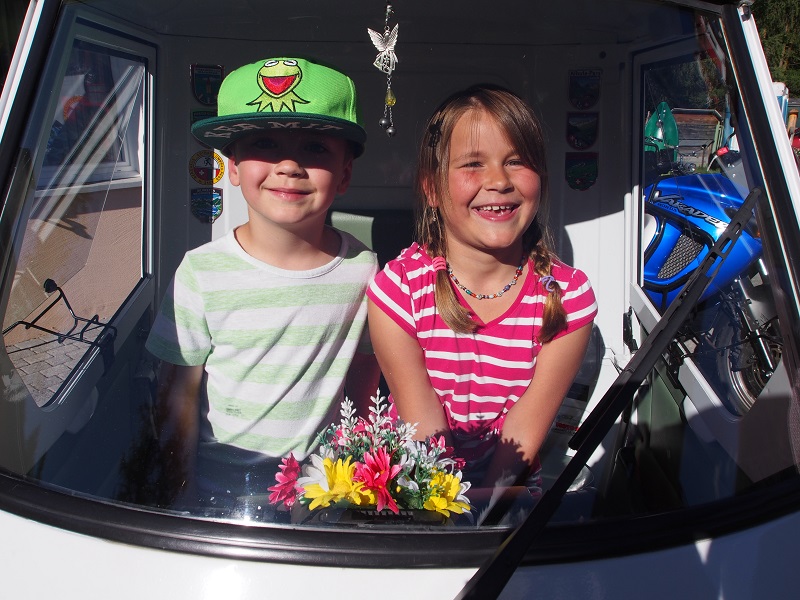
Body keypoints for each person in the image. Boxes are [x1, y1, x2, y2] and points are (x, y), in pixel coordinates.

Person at [146, 57, 379, 508]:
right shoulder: (200, 272)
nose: (289, 164)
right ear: (232, 167)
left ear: (345, 174)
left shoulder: (364, 269)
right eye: (265, 143)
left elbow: (364, 379)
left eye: (315, 147)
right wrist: (180, 493)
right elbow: (178, 396)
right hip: (220, 487)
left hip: (324, 491)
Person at [367, 84, 597, 493]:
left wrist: (488, 515)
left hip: (506, 499)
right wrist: (448, 516)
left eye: (516, 161)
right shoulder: (398, 290)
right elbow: (424, 430)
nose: (499, 181)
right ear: (432, 188)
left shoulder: (568, 297)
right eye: (473, 164)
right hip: (419, 491)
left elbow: (524, 431)